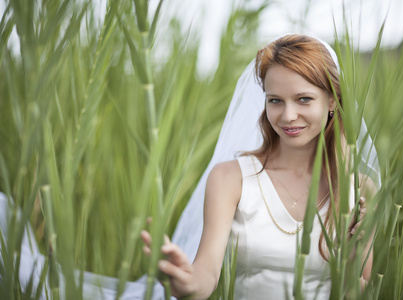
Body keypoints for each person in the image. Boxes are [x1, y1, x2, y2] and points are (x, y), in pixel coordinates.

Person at [141, 34, 378, 299]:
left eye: (304, 99)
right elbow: (206, 275)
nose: (288, 116)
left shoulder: (358, 189)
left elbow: (356, 290)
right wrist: (186, 282)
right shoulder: (231, 178)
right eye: (275, 100)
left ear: (332, 100)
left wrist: (356, 250)